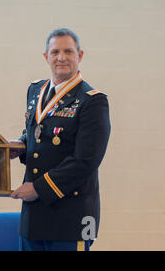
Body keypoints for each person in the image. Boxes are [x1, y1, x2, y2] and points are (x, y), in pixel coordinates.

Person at [9, 28, 111, 251]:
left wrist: (38, 188)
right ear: (46, 57)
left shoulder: (92, 101)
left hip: (72, 215)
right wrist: (18, 147)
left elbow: (86, 161)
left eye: (68, 51)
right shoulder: (36, 90)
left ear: (79, 55)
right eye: (55, 52)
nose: (61, 57)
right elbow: (37, 136)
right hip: (34, 214)